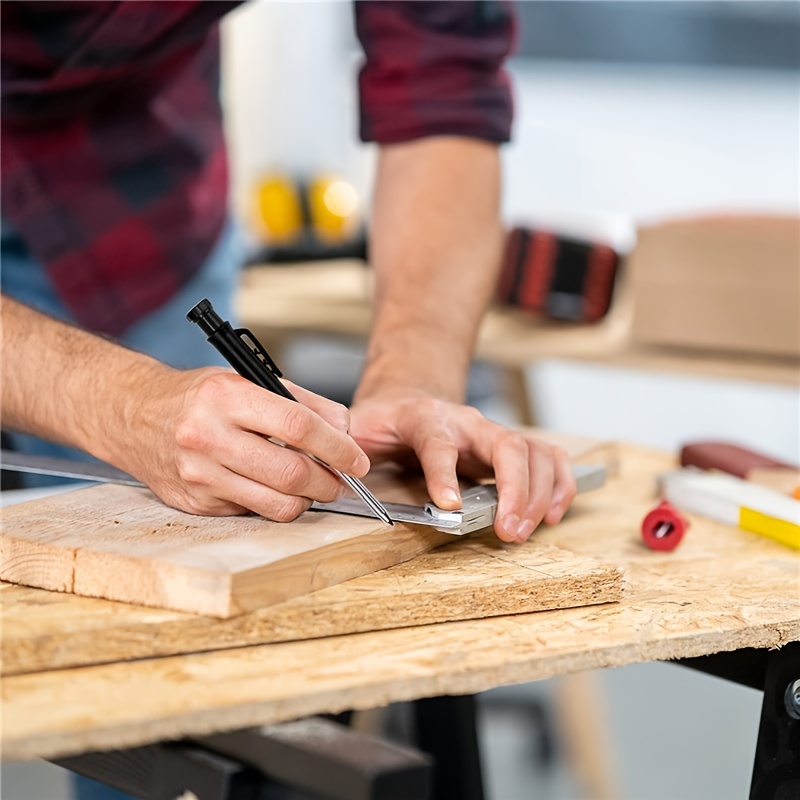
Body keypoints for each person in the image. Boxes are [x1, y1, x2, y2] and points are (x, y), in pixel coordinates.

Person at [2, 2, 576, 796]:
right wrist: (122, 403)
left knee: (161, 679)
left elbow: (445, 85)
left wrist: (412, 372)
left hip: (130, 203)